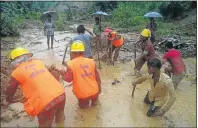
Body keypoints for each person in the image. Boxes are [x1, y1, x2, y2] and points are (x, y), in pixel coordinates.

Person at [6, 47, 66, 127]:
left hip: (45, 103)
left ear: (14, 61)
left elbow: (11, 89)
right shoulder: (38, 62)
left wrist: (9, 99)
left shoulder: (17, 72)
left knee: (45, 125)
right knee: (60, 118)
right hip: (61, 93)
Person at [61, 40, 101, 109]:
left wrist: (62, 73)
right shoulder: (91, 61)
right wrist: (99, 88)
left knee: (83, 109)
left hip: (83, 94)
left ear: (72, 52)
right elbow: (97, 76)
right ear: (83, 51)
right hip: (95, 91)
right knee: (95, 106)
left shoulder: (70, 64)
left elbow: (68, 79)